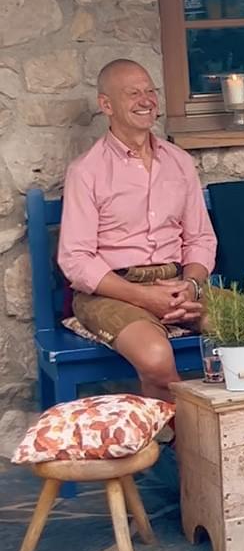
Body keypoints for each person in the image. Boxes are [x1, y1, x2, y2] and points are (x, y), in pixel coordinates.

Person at [58, 59, 217, 403]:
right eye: (133, 93)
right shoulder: (87, 171)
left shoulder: (179, 162)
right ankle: (190, 449)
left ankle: (242, 436)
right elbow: (76, 259)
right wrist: (145, 298)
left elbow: (200, 239)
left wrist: (189, 286)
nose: (146, 100)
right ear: (106, 105)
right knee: (157, 359)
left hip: (179, 285)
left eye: (150, 91)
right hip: (111, 292)